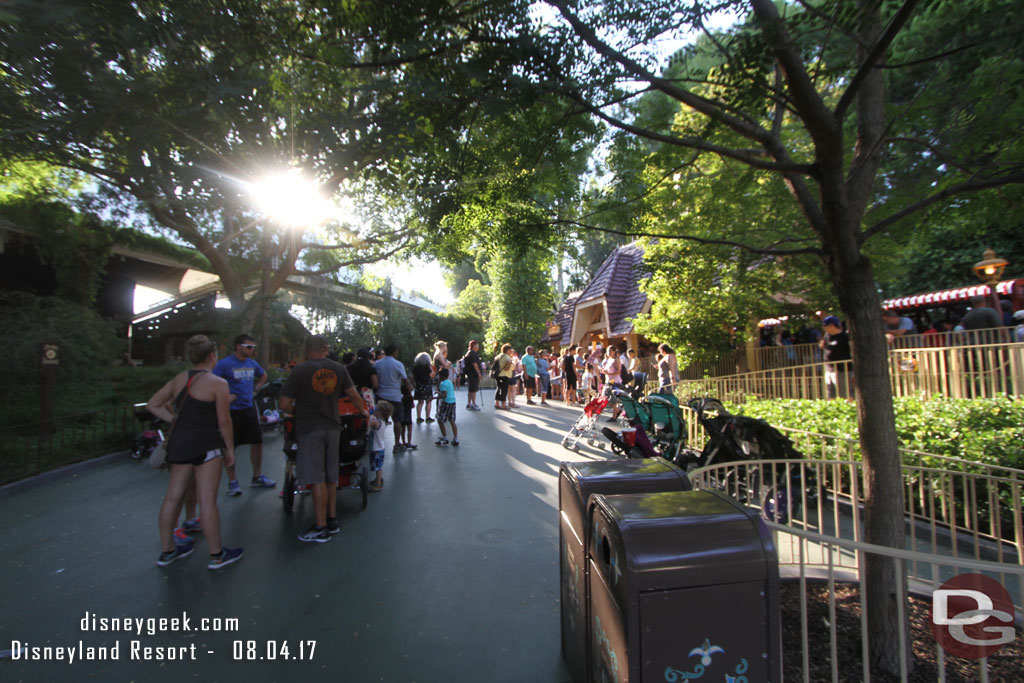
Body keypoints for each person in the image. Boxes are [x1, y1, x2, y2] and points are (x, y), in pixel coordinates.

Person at [147, 334, 243, 570]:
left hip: (180, 443)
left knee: (172, 497)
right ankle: (217, 555)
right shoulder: (218, 384)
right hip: (207, 445)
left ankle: (168, 551)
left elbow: (153, 404)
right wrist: (229, 449)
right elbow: (224, 421)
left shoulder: (180, 379)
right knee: (207, 501)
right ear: (212, 356)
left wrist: (175, 420)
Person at [279, 335, 368, 543]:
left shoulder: (299, 371)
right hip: (334, 428)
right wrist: (363, 412)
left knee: (316, 478)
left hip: (310, 429)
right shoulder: (339, 369)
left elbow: (284, 404)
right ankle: (332, 519)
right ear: (325, 349)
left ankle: (320, 526)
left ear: (307, 349)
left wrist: (297, 411)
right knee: (331, 475)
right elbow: (354, 395)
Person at [213, 334, 274, 496]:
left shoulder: (252, 363)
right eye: (249, 347)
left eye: (253, 347)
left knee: (257, 442)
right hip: (231, 411)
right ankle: (233, 482)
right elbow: (211, 382)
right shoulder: (224, 364)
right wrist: (226, 396)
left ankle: (257, 476)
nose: (252, 350)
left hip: (248, 408)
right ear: (238, 346)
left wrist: (257, 387)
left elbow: (264, 375)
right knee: (230, 446)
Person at [374, 343, 412, 452]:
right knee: (397, 420)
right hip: (395, 396)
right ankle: (397, 444)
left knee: (380, 420)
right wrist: (409, 393)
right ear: (394, 352)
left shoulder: (378, 364)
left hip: (381, 395)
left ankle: (378, 443)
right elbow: (405, 380)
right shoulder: (398, 364)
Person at [821, 316, 852, 399]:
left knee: (845, 393)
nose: (824, 328)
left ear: (831, 325)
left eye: (825, 326)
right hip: (829, 368)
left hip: (842, 369)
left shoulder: (844, 337)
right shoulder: (827, 336)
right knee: (830, 393)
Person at [366, 401, 393, 492]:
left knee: (378, 467)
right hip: (380, 447)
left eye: (376, 409)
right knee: (378, 466)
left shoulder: (376, 422)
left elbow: (369, 425)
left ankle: (378, 484)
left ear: (380, 412)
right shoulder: (382, 421)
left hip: (376, 448)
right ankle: (378, 480)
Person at [434, 368, 459, 446]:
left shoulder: (442, 384)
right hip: (453, 402)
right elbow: (446, 392)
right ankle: (455, 438)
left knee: (440, 420)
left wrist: (434, 398)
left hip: (446, 402)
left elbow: (444, 395)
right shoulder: (449, 382)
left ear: (441, 376)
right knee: (452, 420)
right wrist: (438, 392)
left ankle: (445, 437)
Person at [412, 351, 435, 424]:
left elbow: (412, 376)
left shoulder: (415, 367)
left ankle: (418, 417)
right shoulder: (427, 367)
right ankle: (427, 417)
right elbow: (432, 375)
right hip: (426, 385)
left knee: (420, 401)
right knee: (428, 401)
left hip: (419, 385)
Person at [462, 340, 482, 411]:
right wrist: (478, 372)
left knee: (470, 389)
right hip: (473, 374)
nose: (478, 346)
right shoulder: (472, 353)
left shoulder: (469, 353)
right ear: (474, 346)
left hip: (470, 374)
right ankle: (473, 404)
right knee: (473, 390)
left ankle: (469, 403)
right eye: (477, 345)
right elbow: (474, 364)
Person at [494, 344, 514, 410]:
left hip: (498, 375)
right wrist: (507, 367)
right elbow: (509, 361)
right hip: (505, 375)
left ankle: (496, 403)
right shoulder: (506, 356)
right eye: (510, 350)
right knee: (504, 390)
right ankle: (503, 405)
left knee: (499, 389)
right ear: (507, 350)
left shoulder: (498, 356)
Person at [400, 383, 416, 451]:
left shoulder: (401, 398)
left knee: (402, 429)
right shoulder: (410, 398)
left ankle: (403, 442)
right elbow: (412, 406)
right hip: (408, 415)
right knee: (409, 429)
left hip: (401, 415)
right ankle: (409, 442)